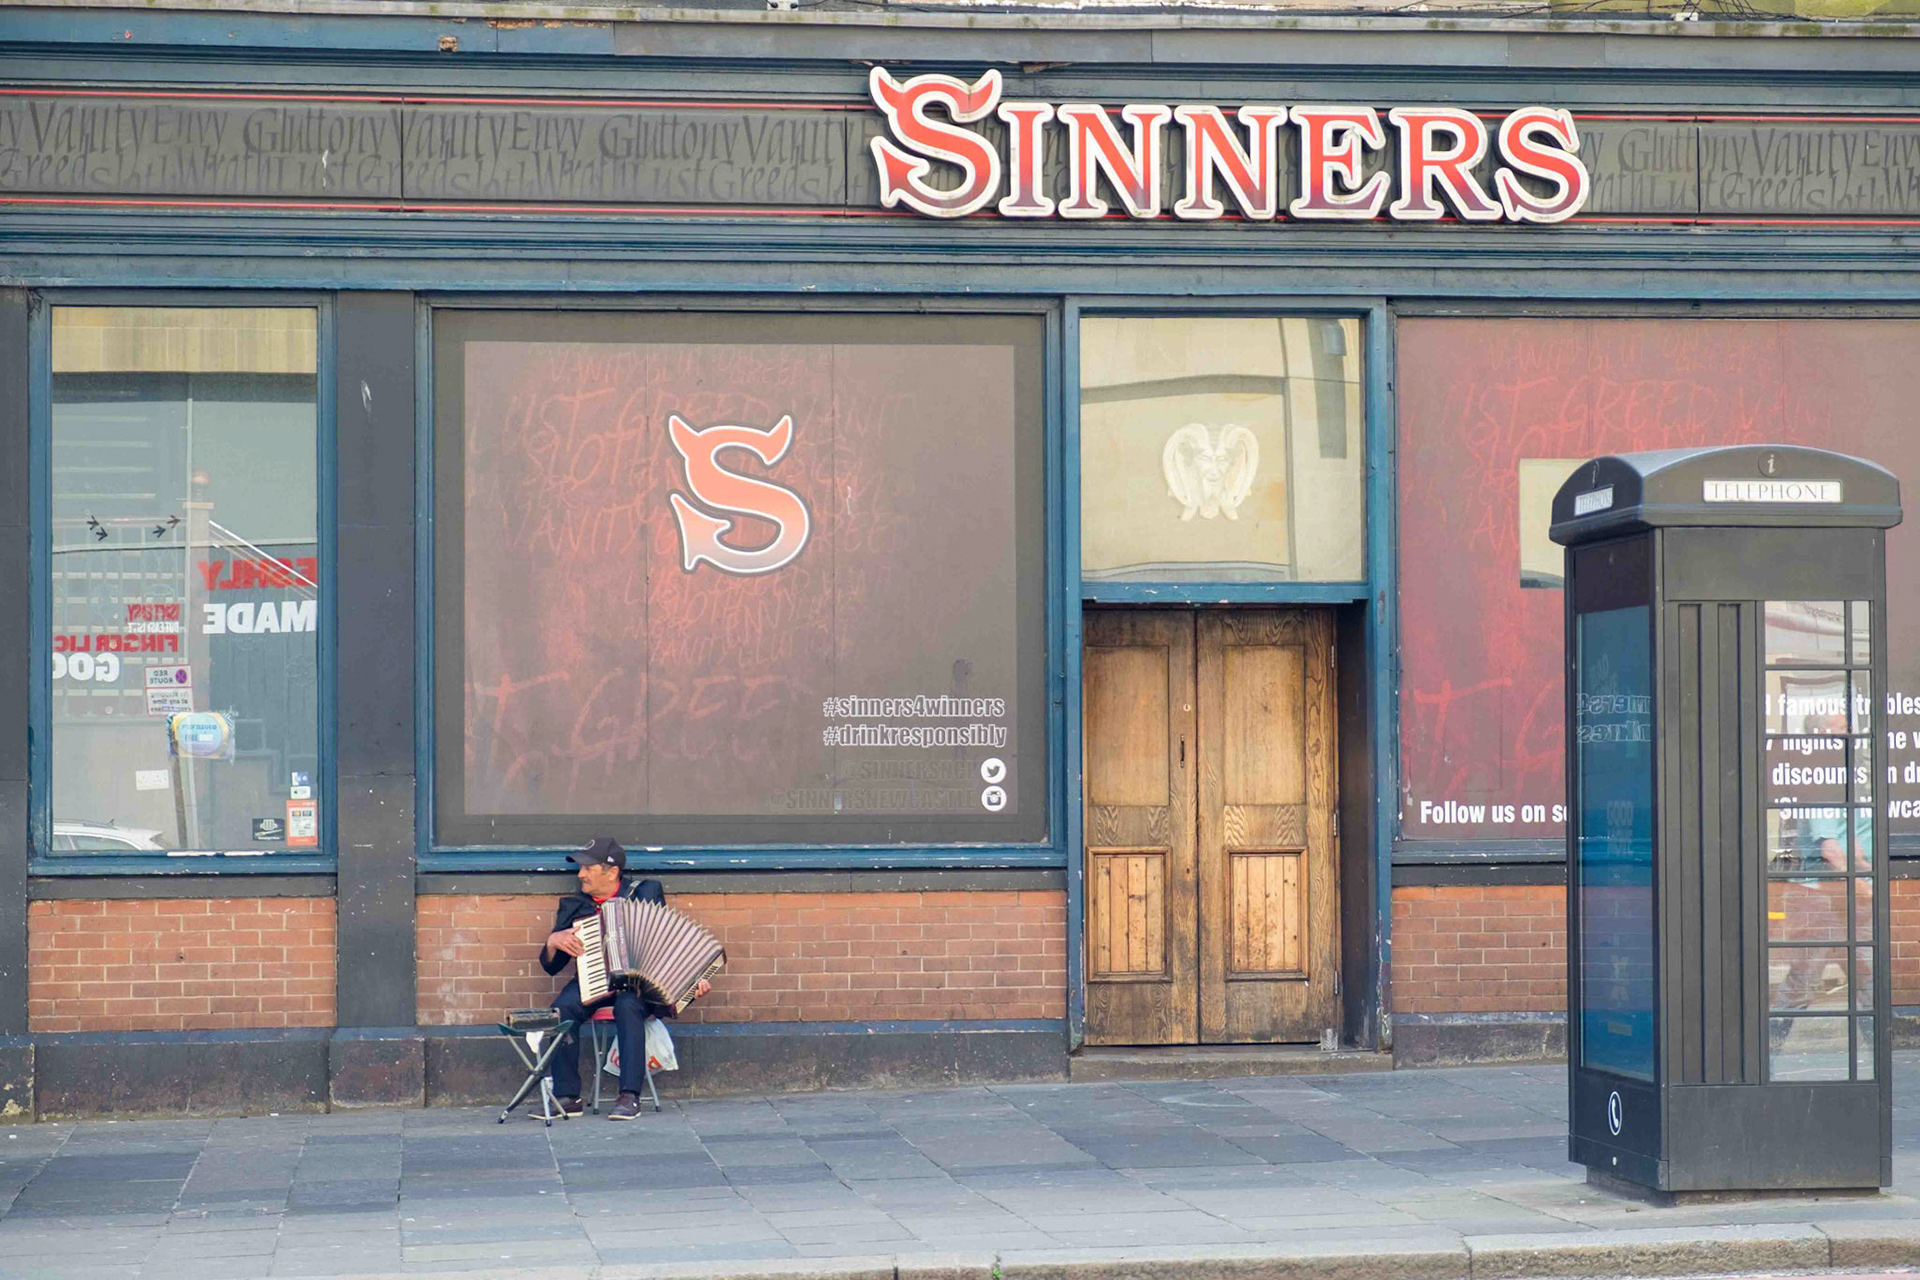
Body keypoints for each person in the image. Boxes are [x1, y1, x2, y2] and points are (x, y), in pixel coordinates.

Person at [540, 836, 709, 1120]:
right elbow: (552, 966)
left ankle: (629, 1095)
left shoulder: (646, 892)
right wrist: (553, 941)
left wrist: (691, 980)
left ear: (612, 871)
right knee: (561, 1011)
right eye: (580, 869)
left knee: (628, 1006)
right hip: (594, 979)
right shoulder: (574, 906)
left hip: (636, 986)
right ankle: (567, 1096)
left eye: (587, 868)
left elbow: (668, 942)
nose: (580, 875)